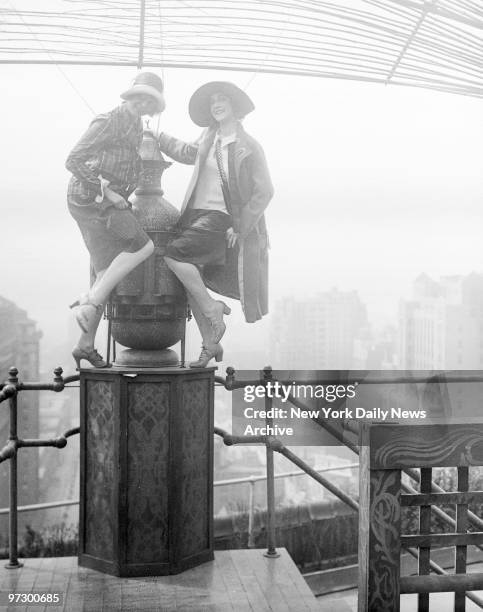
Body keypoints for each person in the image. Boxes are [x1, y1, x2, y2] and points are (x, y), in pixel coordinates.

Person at [155, 81, 274, 367]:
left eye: (222, 100)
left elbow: (265, 190)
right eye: (213, 102)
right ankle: (210, 344)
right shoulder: (209, 136)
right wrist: (158, 137)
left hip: (220, 217)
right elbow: (186, 152)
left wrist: (241, 226)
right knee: (190, 279)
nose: (216, 105)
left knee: (173, 253)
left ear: (234, 106)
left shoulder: (248, 147)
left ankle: (213, 308)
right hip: (195, 214)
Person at [66, 72, 165, 368]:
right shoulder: (107, 120)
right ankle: (91, 301)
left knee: (103, 271)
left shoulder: (135, 126)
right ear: (129, 96)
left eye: (150, 100)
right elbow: (73, 160)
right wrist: (107, 194)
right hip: (91, 201)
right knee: (143, 246)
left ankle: (84, 343)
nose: (143, 103)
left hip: (105, 203)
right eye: (140, 96)